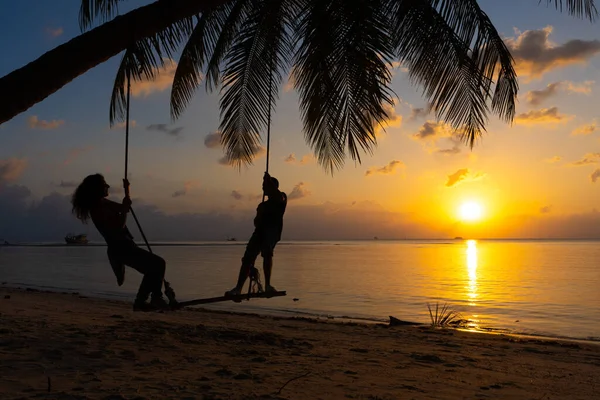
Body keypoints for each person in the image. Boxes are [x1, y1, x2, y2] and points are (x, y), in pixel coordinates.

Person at [71, 173, 169, 312]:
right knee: (158, 264)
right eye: (104, 184)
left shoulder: (103, 203)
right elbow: (118, 226)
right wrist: (124, 209)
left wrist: (127, 191)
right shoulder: (97, 208)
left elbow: (124, 208)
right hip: (121, 248)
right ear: (97, 188)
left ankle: (142, 301)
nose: (108, 186)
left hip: (124, 246)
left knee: (153, 268)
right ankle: (154, 298)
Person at [225, 172, 287, 297]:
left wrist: (268, 181)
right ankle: (238, 288)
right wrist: (260, 215)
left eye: (265, 186)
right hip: (259, 232)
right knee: (247, 259)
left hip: (271, 232)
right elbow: (256, 222)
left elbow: (278, 196)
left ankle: (268, 285)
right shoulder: (262, 205)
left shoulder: (281, 198)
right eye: (263, 186)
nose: (263, 188)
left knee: (267, 254)